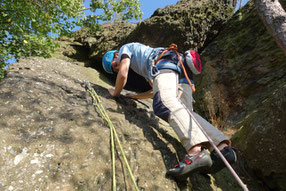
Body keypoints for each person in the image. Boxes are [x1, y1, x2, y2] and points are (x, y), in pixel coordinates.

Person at [102, 42, 237, 179]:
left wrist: (115, 93)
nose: (117, 69)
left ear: (117, 55)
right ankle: (222, 148)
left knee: (164, 103)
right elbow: (155, 91)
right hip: (180, 67)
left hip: (166, 62)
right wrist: (135, 96)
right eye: (114, 70)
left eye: (115, 65)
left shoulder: (126, 48)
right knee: (187, 114)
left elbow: (123, 74)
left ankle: (195, 153)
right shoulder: (143, 62)